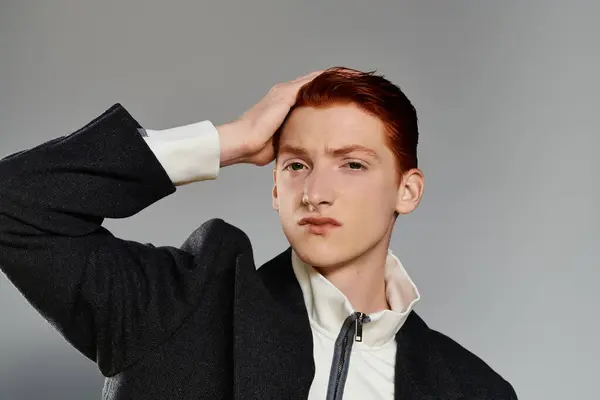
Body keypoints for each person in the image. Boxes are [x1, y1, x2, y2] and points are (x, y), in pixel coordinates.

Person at [0, 67, 517, 399]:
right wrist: (228, 141)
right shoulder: (180, 307)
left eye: (352, 165)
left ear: (407, 191)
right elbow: (13, 206)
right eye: (296, 166)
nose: (316, 191)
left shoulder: (472, 389)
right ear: (274, 187)